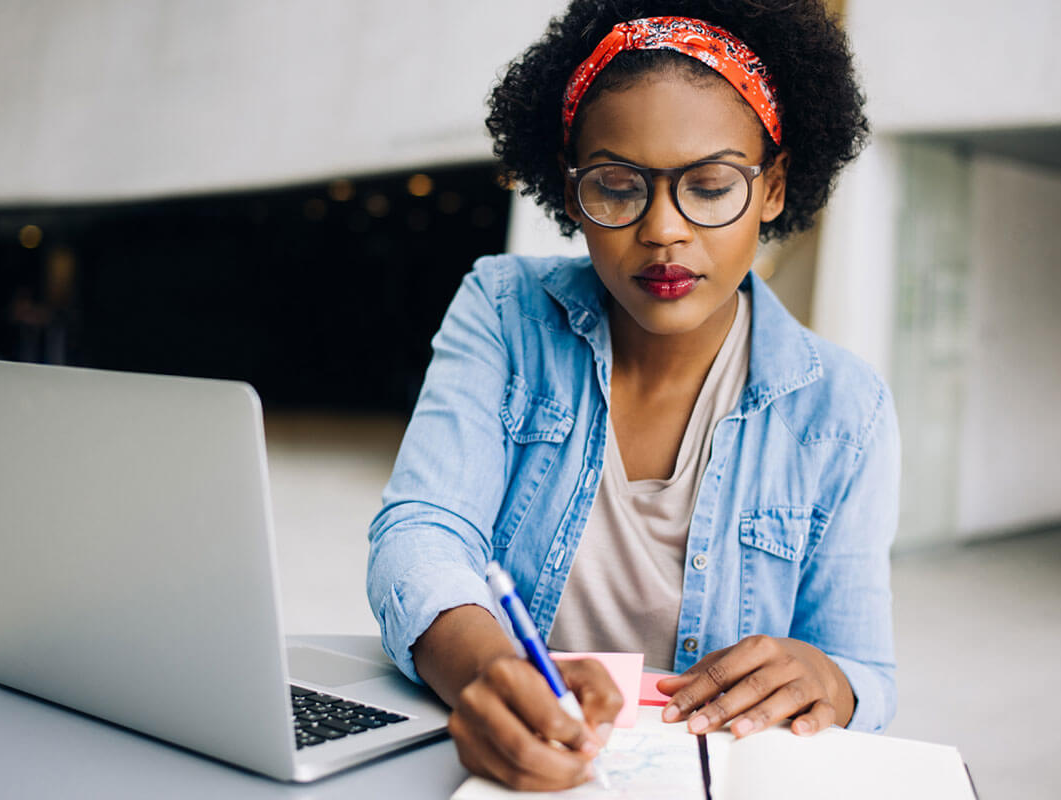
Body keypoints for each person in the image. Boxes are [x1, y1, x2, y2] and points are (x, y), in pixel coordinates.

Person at [366, 0, 895, 790]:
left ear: (776, 187)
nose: (663, 231)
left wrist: (831, 680)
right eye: (617, 188)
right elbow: (422, 531)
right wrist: (490, 675)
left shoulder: (844, 410)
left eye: (711, 186)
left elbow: (865, 670)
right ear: (569, 188)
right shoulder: (505, 311)